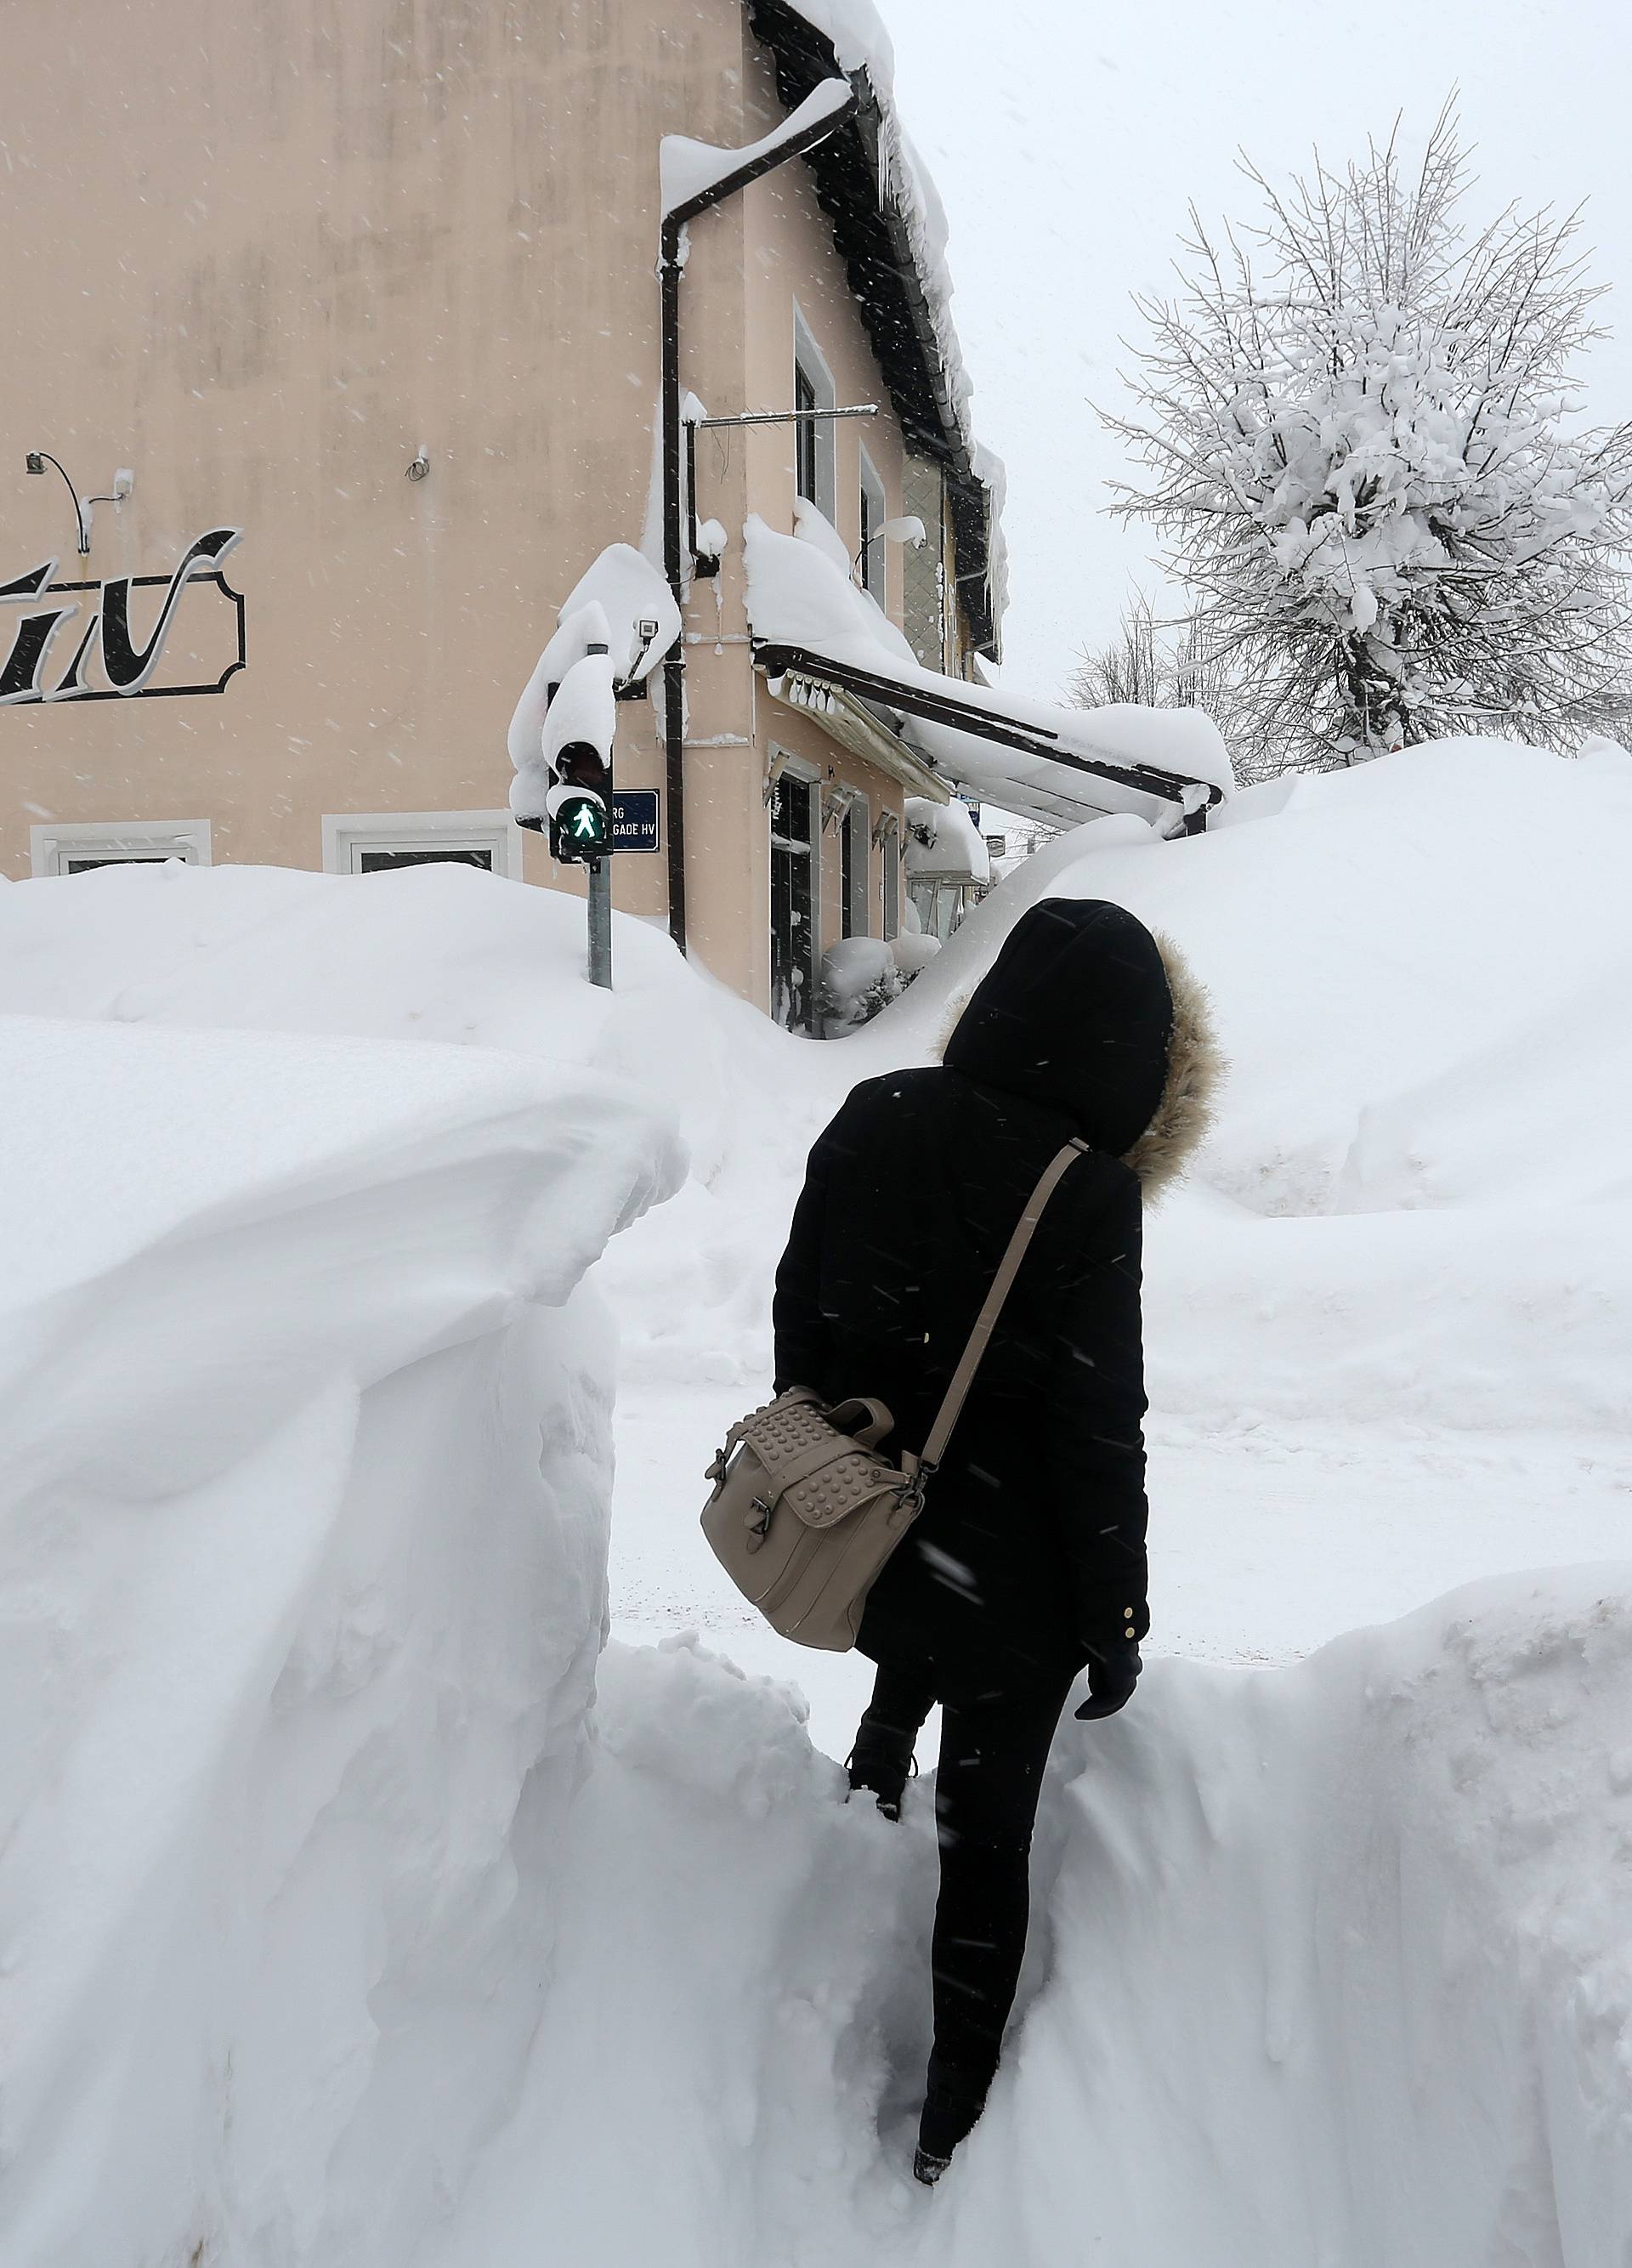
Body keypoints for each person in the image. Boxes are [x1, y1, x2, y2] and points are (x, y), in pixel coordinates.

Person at [771, 897, 1220, 2185]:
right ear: (1127, 1053)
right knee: (987, 1844)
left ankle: (862, 1791)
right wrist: (1113, 1620)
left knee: (910, 1646)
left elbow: (804, 1310)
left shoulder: (874, 1113)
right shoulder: (1087, 1192)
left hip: (871, 1525)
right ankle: (953, 2117)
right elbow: (1098, 1430)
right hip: (1010, 1582)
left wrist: (835, 1458)